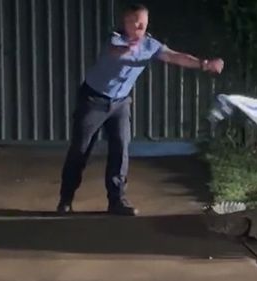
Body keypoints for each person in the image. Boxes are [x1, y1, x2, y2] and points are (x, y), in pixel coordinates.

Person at [56, 3, 224, 216]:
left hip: (120, 103)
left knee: (121, 149)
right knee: (80, 150)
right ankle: (66, 199)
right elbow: (115, 52)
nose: (138, 26)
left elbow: (174, 56)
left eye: (142, 22)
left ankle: (117, 201)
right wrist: (128, 49)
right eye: (134, 22)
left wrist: (204, 63)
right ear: (124, 22)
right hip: (93, 100)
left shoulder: (150, 45)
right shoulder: (115, 38)